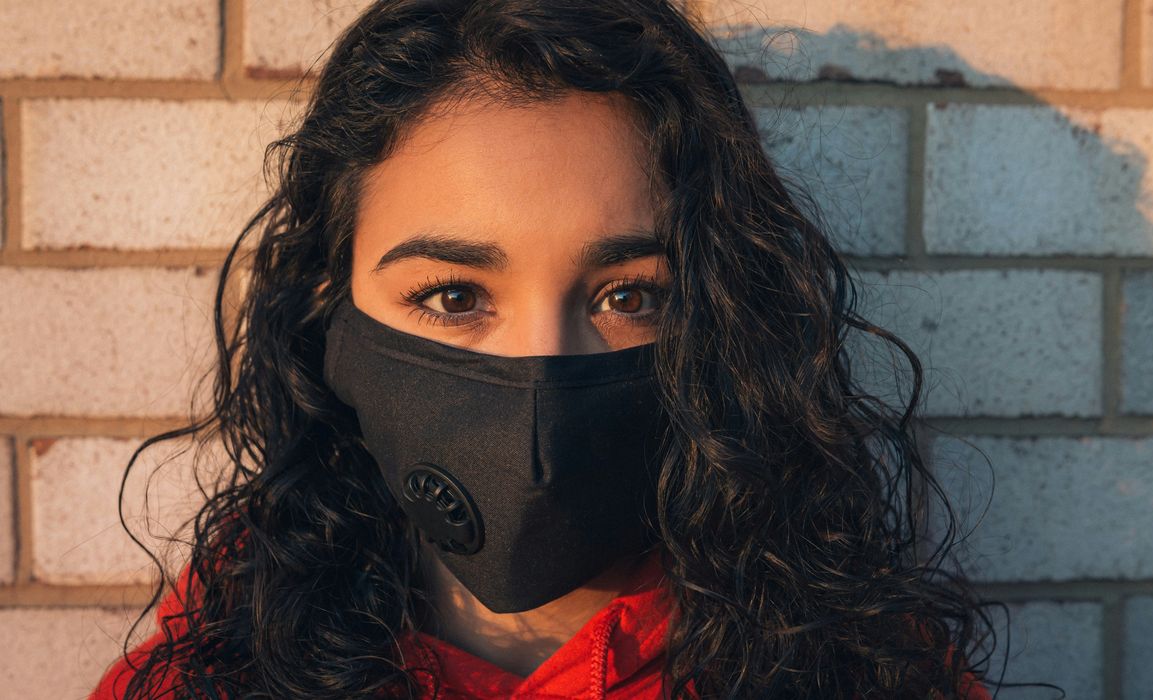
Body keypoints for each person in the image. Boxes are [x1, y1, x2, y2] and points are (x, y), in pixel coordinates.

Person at [89, 0, 1033, 697]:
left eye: (627, 295)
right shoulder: (203, 673)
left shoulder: (863, 670)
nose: (538, 372)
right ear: (329, 310)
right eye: (453, 296)